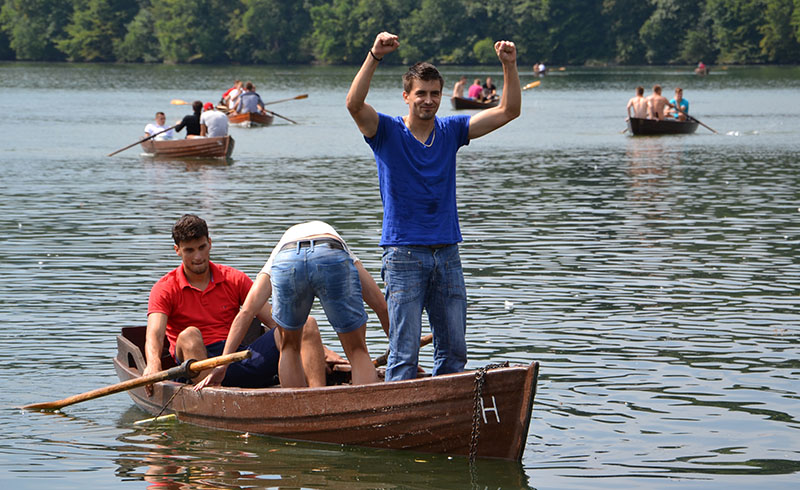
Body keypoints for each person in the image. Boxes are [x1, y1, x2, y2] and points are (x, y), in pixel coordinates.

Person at [345, 31, 521, 381]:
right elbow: (354, 104)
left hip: (447, 253)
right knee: (404, 353)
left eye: (435, 94)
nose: (429, 100)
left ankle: (447, 409)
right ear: (407, 96)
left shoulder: (452, 130)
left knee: (454, 352)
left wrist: (510, 65)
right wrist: (374, 56)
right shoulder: (386, 131)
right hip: (403, 254)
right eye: (421, 93)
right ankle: (396, 412)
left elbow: (509, 111)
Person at [143, 214, 337, 395]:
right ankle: (212, 399)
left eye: (202, 247)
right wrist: (153, 365)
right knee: (190, 335)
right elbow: (155, 335)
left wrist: (319, 350)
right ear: (177, 250)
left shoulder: (234, 278)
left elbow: (275, 320)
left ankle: (318, 397)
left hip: (236, 356)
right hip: (196, 365)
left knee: (305, 323)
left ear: (210, 243)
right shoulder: (165, 288)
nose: (198, 257)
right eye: (189, 250)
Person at [196, 221, 389, 389]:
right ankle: (369, 410)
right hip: (329, 251)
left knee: (289, 346)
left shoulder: (278, 253)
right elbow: (381, 306)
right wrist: (400, 353)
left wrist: (223, 365)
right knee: (357, 351)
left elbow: (246, 312)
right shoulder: (340, 247)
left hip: (288, 260)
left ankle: (297, 409)